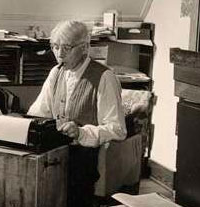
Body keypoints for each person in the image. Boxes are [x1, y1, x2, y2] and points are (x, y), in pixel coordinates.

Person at [27, 20, 127, 207]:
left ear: (85, 48)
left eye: (66, 47)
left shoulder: (104, 77)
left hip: (83, 160)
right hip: (54, 154)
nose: (59, 54)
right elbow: (39, 112)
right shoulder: (55, 73)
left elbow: (117, 129)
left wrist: (81, 133)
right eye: (55, 47)